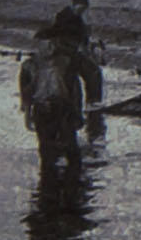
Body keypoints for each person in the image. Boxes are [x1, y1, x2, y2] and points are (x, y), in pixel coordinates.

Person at [19, 25, 104, 173]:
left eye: (51, 44)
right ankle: (49, 185)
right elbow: (26, 95)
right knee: (46, 153)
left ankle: (74, 184)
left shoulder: (66, 62)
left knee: (71, 150)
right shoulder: (29, 66)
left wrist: (79, 114)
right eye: (43, 44)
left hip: (64, 109)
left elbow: (77, 89)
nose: (48, 48)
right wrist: (27, 116)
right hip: (42, 112)